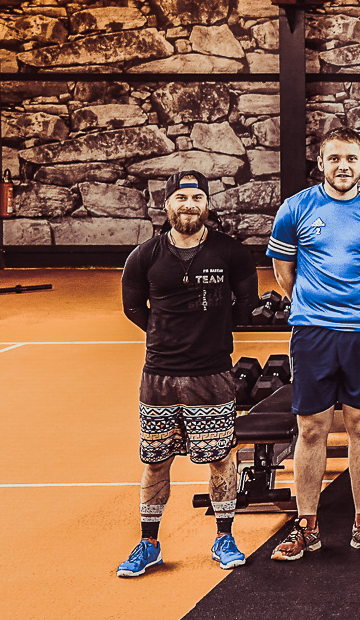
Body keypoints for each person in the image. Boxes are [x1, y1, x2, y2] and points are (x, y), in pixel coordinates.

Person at [117, 171, 258, 577]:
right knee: (156, 460)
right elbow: (133, 309)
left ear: (207, 204)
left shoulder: (230, 252)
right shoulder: (144, 255)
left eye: (197, 197)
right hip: (159, 376)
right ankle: (149, 544)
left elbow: (246, 304)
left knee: (220, 458)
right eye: (181, 197)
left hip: (212, 375)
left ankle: (224, 537)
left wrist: (208, 336)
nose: (189, 204)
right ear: (167, 205)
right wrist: (168, 337)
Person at [267, 127, 360, 560]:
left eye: (351, 158)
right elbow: (284, 272)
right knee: (311, 428)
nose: (343, 166)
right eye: (335, 158)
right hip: (313, 333)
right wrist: (313, 306)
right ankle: (307, 525)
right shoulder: (297, 208)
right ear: (321, 163)